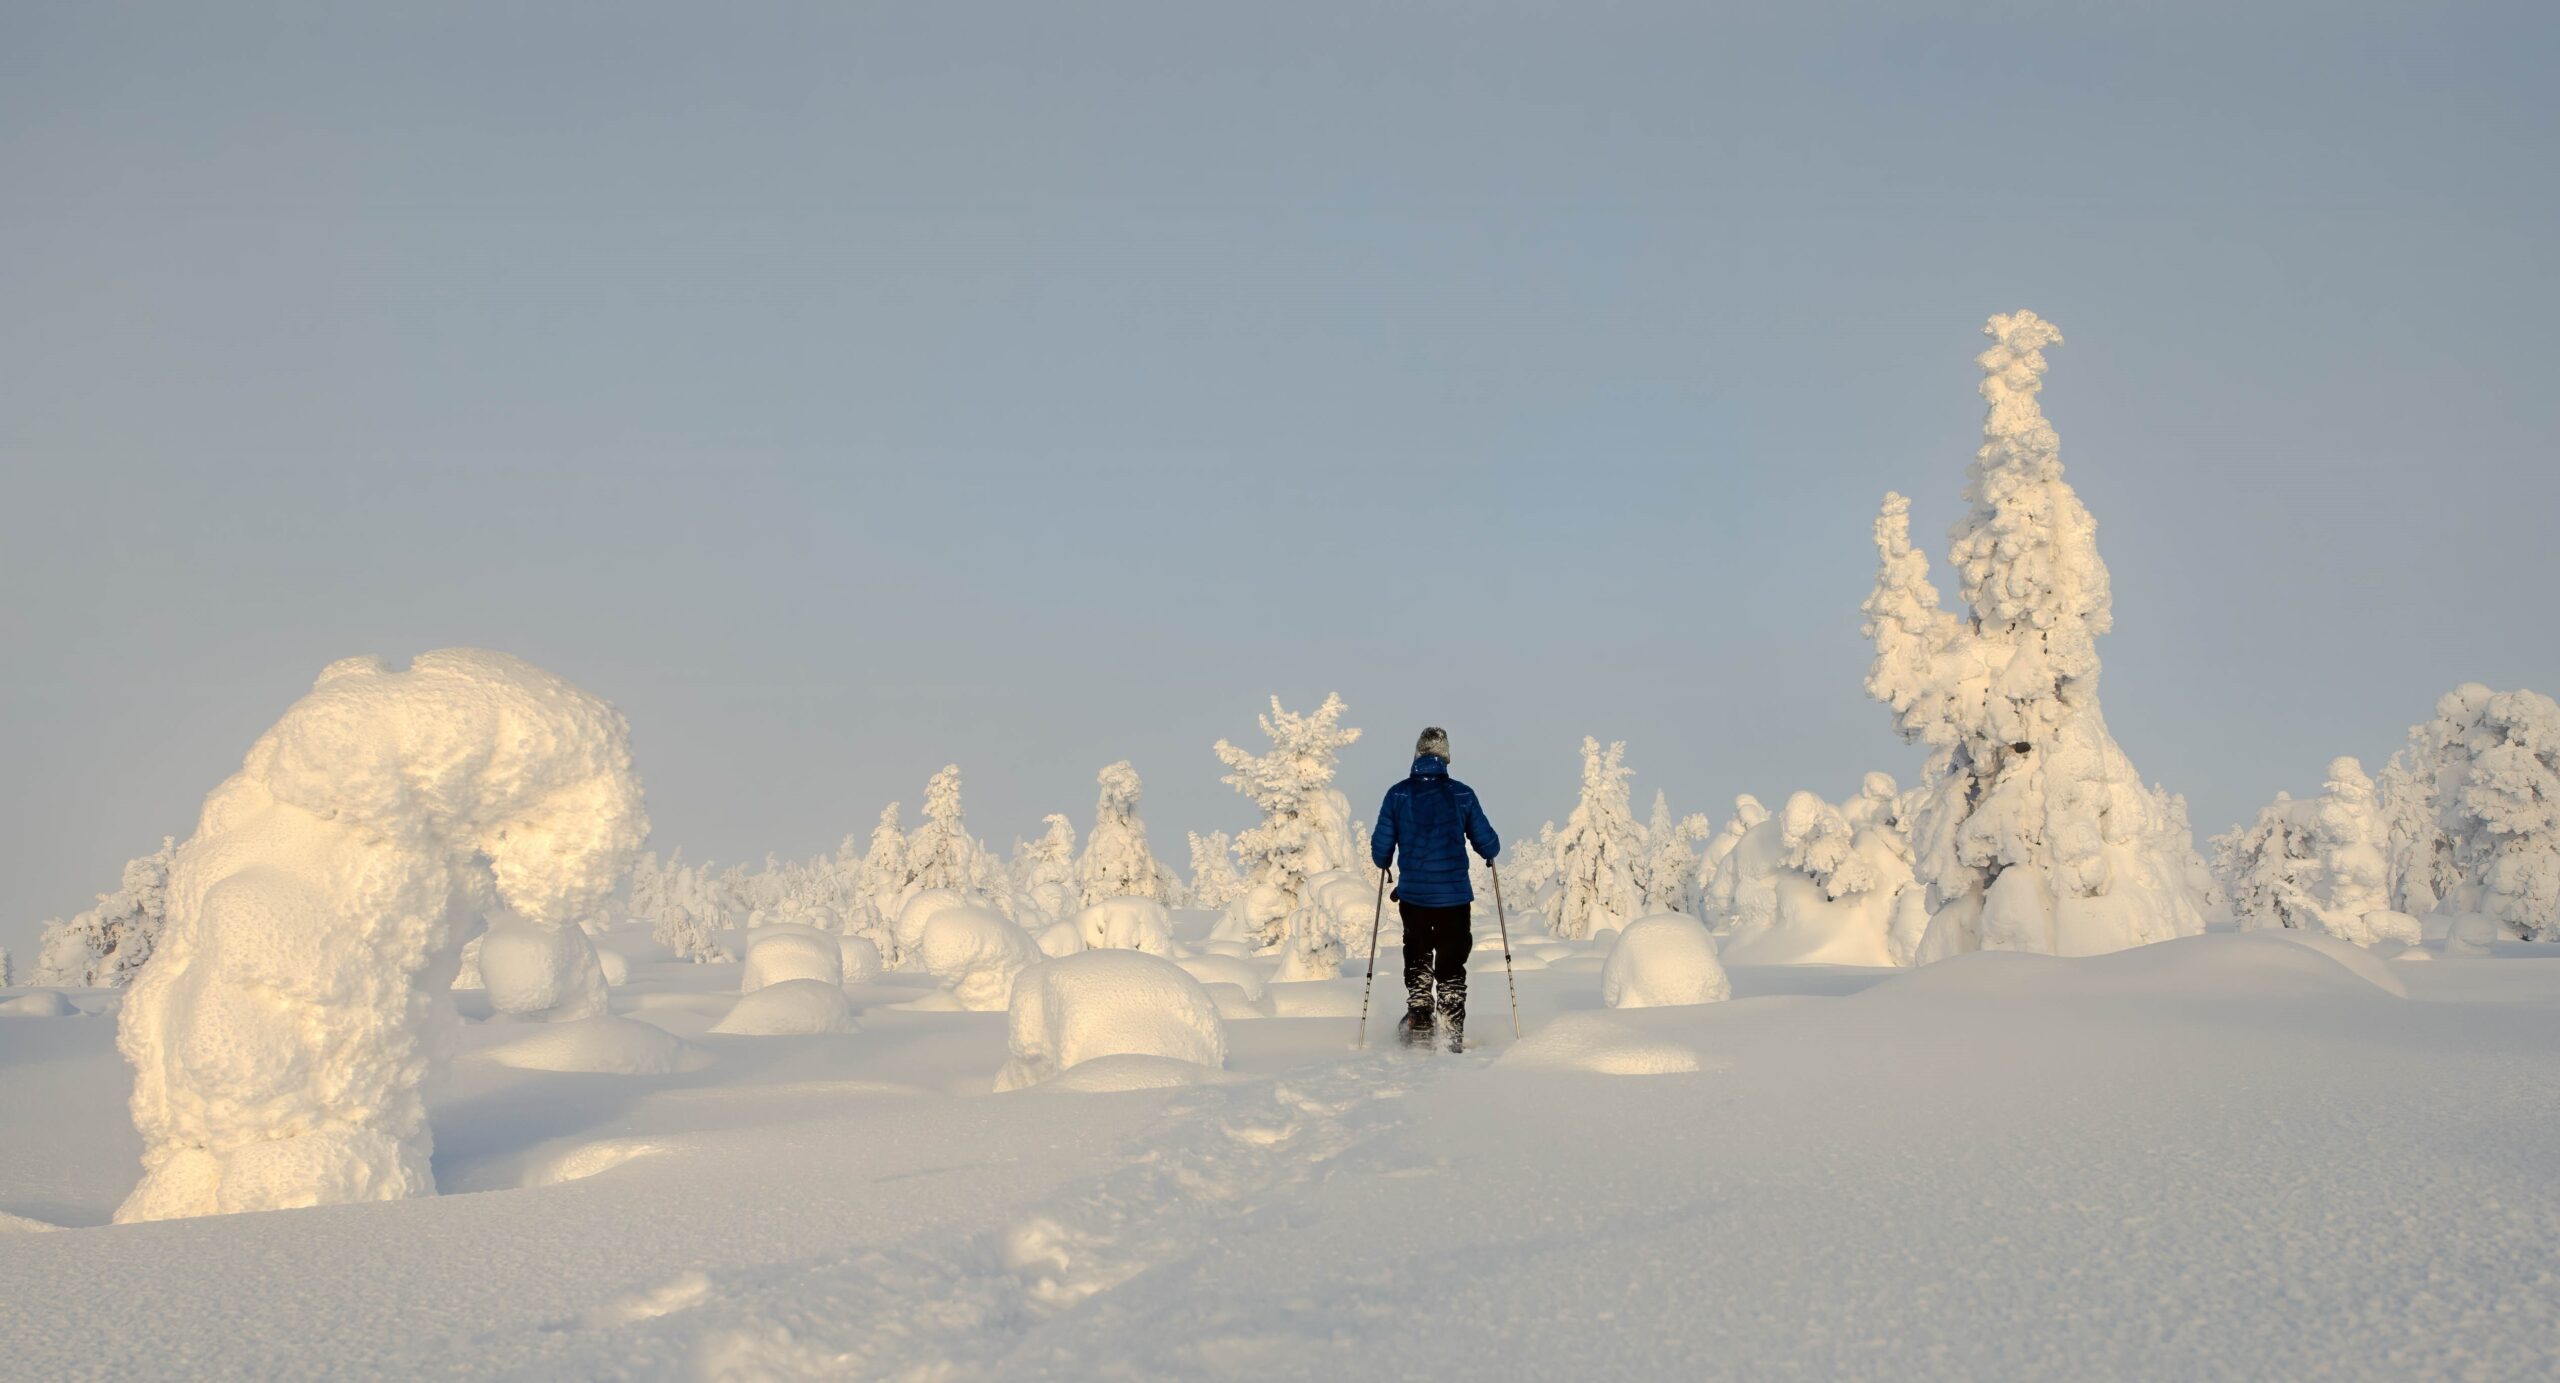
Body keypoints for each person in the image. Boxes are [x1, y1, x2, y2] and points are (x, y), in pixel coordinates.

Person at [1370, 726, 1500, 1052]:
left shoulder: (1398, 794)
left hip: (1414, 896)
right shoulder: (1461, 794)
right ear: (1446, 757)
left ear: (1417, 755)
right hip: (1455, 898)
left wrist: (1385, 860)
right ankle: (1450, 1026)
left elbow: (1380, 849)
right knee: (1452, 961)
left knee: (1418, 952)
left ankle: (1420, 1016)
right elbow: (1488, 842)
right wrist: (1489, 851)